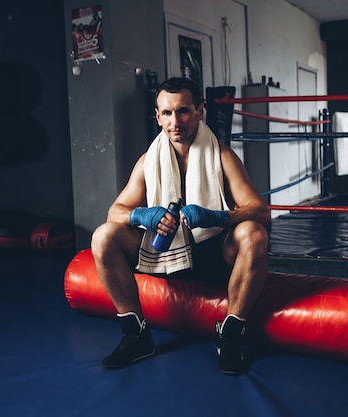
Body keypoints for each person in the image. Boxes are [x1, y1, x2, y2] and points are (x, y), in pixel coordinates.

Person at [91, 77, 270, 375]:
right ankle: (136, 336)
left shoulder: (222, 155)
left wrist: (219, 217)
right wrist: (141, 216)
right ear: (157, 116)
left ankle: (229, 337)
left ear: (199, 111)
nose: (176, 121)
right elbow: (115, 212)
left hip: (214, 253)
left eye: (184, 111)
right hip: (163, 253)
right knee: (103, 236)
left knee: (254, 233)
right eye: (168, 113)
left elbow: (262, 213)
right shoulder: (149, 161)